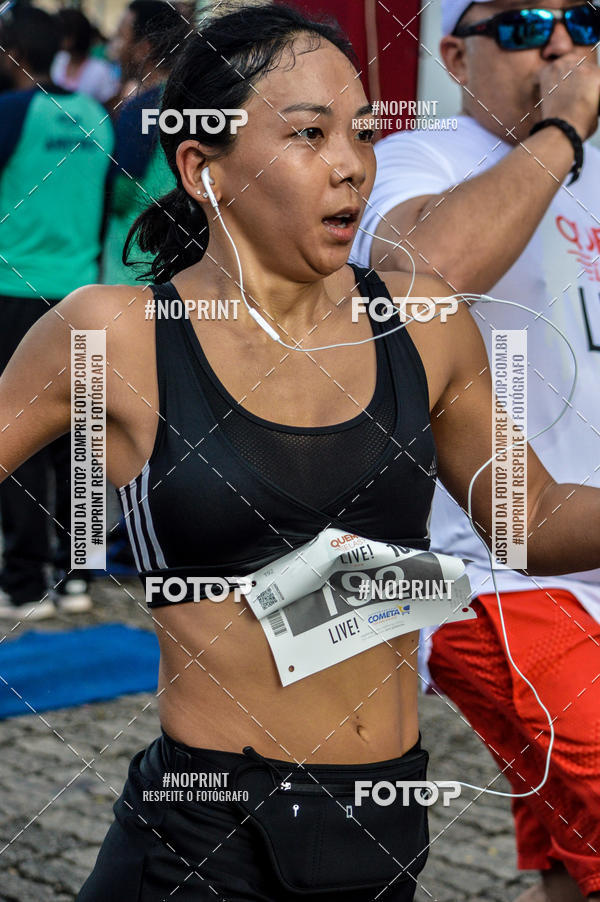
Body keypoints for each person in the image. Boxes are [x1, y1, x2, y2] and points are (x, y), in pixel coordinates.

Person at [1, 4, 599, 899]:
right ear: (202, 167)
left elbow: (533, 520)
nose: (351, 163)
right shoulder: (116, 334)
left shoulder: (423, 320)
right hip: (205, 838)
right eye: (309, 134)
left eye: (362, 132)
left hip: (384, 828)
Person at [351, 0, 600, 899]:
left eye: (583, 20)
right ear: (456, 57)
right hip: (497, 577)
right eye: (527, 26)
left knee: (575, 862)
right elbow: (426, 281)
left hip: (586, 536)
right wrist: (562, 129)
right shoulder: (422, 157)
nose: (562, 45)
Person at [0, 5, 115, 619]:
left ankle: (24, 583)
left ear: (15, 55)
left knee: (17, 433)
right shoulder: (95, 115)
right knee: (82, 438)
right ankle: (79, 575)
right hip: (80, 296)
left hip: (13, 292)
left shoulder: (10, 113)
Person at [101, 0, 188, 285]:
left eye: (121, 36)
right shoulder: (197, 102)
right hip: (181, 269)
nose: (114, 48)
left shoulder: (141, 109)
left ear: (144, 48)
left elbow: (121, 196)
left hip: (132, 269)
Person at [51, 9, 120, 104]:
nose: (55, 38)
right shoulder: (58, 60)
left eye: (60, 33)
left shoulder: (100, 70)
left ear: (73, 37)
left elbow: (109, 105)